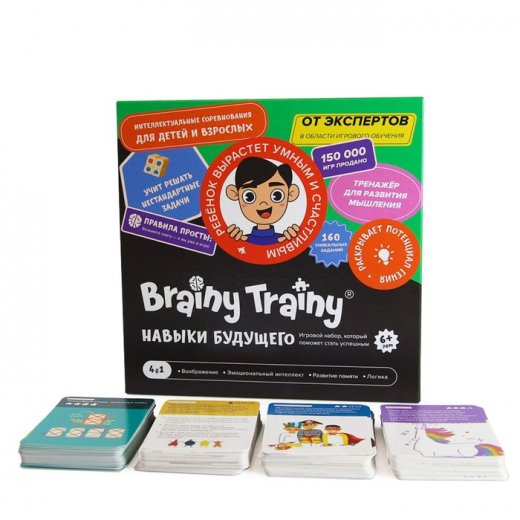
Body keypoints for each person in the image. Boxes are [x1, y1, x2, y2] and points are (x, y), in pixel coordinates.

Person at [225, 157, 300, 245]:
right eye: (249, 196)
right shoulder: (242, 239)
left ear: (291, 194)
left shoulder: (284, 239)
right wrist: (229, 241)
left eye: (277, 195)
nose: (263, 203)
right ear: (234, 194)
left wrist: (296, 241)